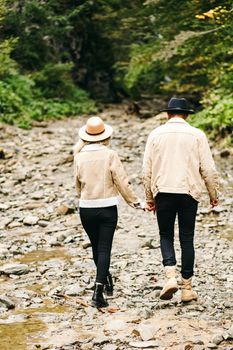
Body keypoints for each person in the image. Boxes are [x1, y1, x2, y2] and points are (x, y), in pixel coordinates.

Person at [142, 97, 219, 302]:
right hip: (188, 192)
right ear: (186, 115)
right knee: (187, 238)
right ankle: (186, 288)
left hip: (163, 191)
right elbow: (209, 170)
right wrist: (213, 195)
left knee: (165, 235)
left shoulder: (156, 134)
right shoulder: (197, 135)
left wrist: (149, 198)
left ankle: (170, 277)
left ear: (168, 114)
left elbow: (146, 171)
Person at [73, 116, 142, 308]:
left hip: (86, 208)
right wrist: (135, 202)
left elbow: (77, 187)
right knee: (104, 248)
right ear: (105, 136)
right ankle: (98, 291)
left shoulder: (78, 157)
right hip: (107, 208)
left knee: (96, 247)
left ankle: (106, 279)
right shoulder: (110, 154)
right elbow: (122, 181)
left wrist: (85, 195)